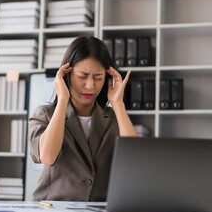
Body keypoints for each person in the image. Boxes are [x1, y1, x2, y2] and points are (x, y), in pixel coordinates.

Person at [28, 36, 136, 201]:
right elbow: (47, 157)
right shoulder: (45, 114)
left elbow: (132, 160)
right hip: (54, 210)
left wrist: (118, 103)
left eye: (98, 77)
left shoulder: (113, 117)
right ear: (67, 75)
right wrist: (62, 100)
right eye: (82, 76)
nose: (90, 85)